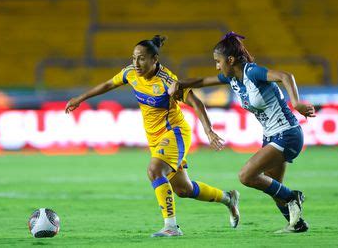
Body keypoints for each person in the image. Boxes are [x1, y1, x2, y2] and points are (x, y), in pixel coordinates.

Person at [65, 35, 240, 237]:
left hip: (175, 132)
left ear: (154, 59)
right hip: (155, 139)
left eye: (141, 58)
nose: (136, 63)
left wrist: (208, 130)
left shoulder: (168, 81)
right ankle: (228, 198)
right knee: (184, 189)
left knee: (155, 169)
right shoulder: (130, 73)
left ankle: (171, 227)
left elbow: (196, 103)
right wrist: (80, 98)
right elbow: (107, 84)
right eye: (133, 58)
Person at [168, 32, 316, 233]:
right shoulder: (233, 79)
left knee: (246, 176)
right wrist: (181, 83)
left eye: (218, 62)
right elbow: (203, 81)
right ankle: (297, 224)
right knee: (274, 187)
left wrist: (296, 102)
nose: (217, 66)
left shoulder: (252, 72)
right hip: (271, 136)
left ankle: (293, 197)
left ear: (230, 60)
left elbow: (285, 76)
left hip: (288, 134)